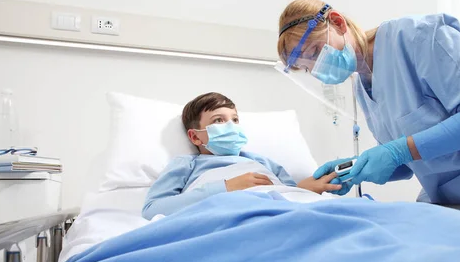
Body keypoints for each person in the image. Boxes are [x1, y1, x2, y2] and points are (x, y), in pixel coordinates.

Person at [277, 0, 460, 225]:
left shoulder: (418, 37)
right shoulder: (363, 86)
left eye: (316, 52)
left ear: (338, 23)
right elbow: (412, 158)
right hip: (455, 203)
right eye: (307, 67)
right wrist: (357, 169)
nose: (317, 68)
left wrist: (397, 152)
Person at [142, 92, 341, 219]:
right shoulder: (188, 164)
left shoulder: (259, 161)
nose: (231, 126)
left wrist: (305, 189)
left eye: (235, 120)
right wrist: (226, 187)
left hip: (280, 211)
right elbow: (153, 209)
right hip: (231, 213)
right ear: (195, 137)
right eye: (219, 120)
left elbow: (288, 194)